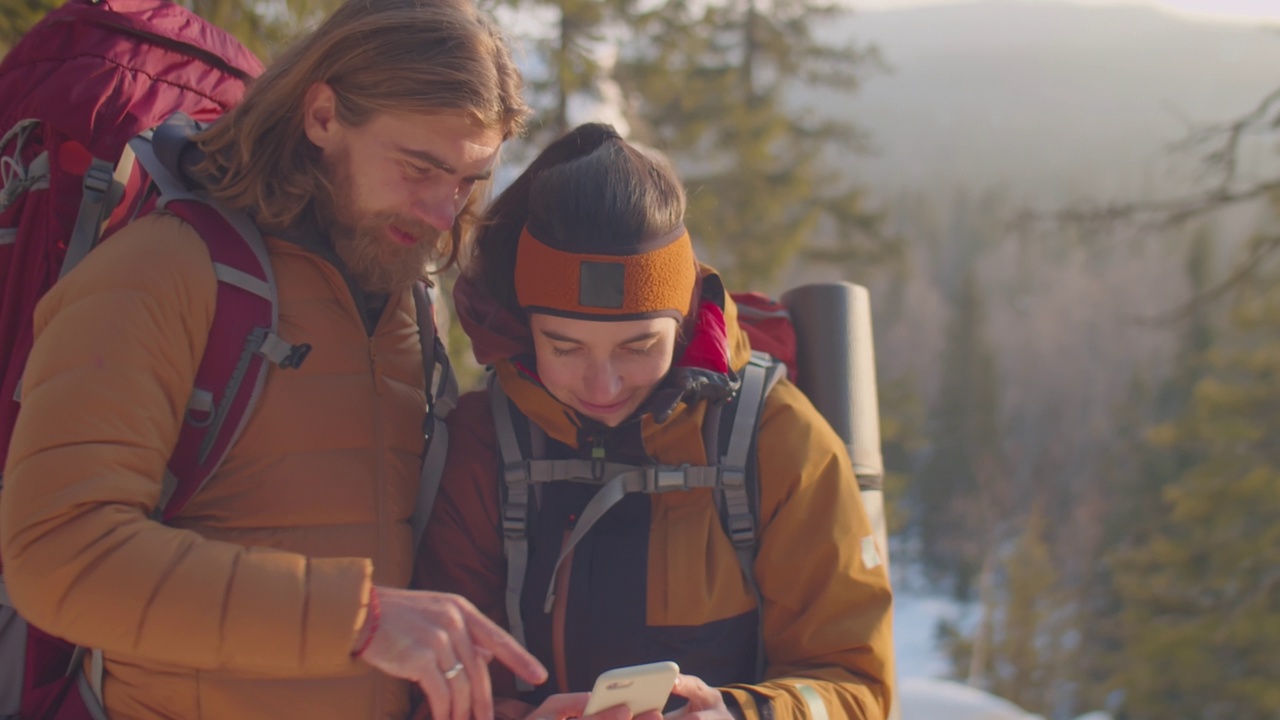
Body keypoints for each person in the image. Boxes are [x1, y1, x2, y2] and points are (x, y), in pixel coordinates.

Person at [0, 1, 548, 718]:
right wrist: (359, 621)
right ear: (322, 116)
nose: (445, 213)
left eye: (468, 183)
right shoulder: (161, 271)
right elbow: (61, 556)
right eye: (420, 167)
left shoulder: (407, 302)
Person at [417, 122, 895, 720]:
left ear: (686, 321)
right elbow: (433, 684)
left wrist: (741, 715)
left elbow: (857, 686)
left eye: (638, 346)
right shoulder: (485, 445)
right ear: (525, 327)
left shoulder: (775, 440)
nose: (603, 385)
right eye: (564, 348)